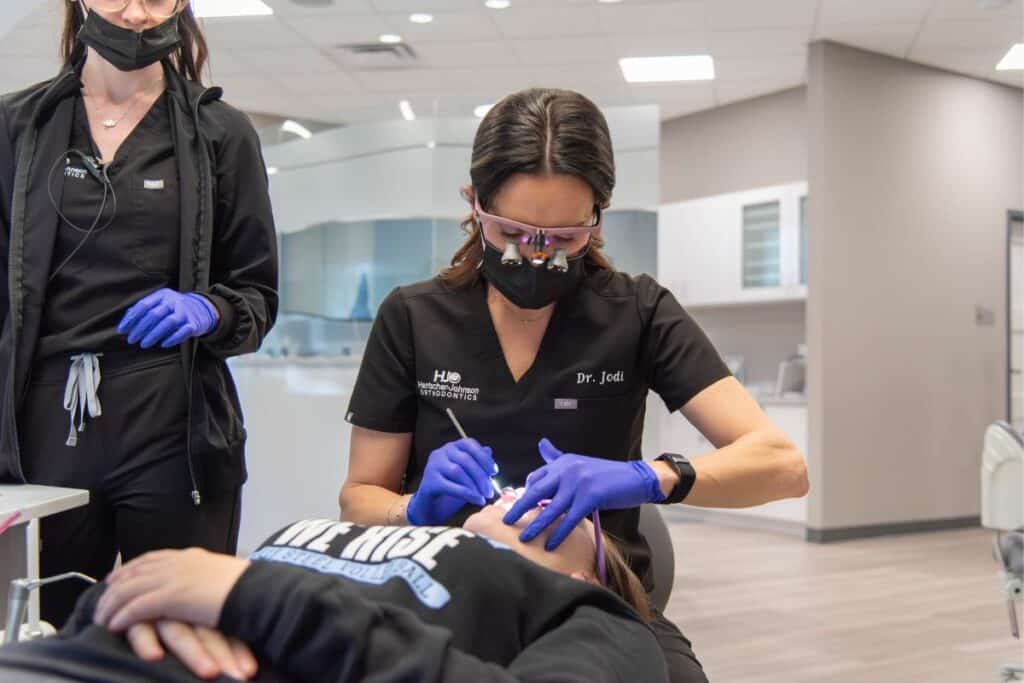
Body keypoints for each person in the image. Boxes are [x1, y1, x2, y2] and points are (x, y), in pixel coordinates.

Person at [338, 87, 810, 682]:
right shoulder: (413, 318)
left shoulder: (638, 313)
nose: (536, 256)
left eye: (563, 238)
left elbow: (783, 466)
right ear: (474, 203)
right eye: (514, 232)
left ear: (597, 218)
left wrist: (648, 478)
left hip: (593, 602)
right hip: (445, 588)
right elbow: (358, 498)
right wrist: (411, 509)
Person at [0, 0, 278, 627]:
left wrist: (209, 309)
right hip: (46, 427)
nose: (133, 14)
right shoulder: (18, 126)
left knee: (182, 632)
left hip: (170, 422)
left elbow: (258, 294)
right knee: (52, 637)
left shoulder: (220, 133)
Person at [0, 490, 668, 683]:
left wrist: (255, 597)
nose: (525, 486)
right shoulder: (410, 535)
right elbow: (171, 586)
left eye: (562, 505)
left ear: (590, 573)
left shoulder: (599, 618)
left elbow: (245, 596)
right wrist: (134, 604)